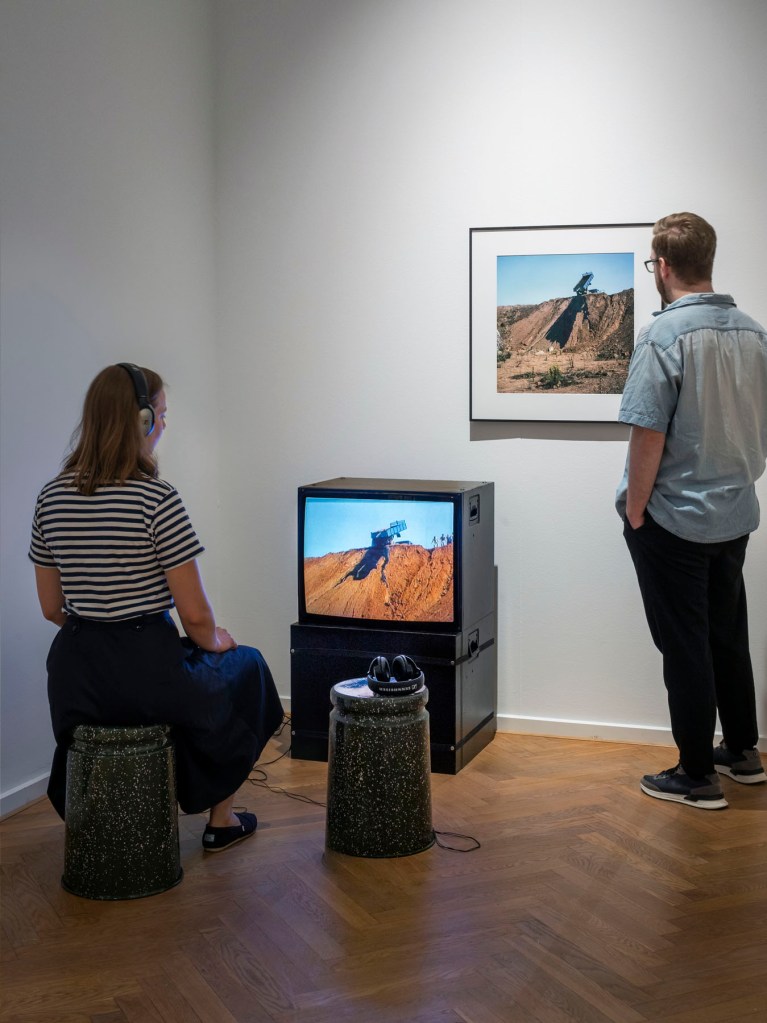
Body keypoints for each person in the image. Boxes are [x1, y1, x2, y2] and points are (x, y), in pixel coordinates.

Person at [29, 363, 284, 851]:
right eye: (160, 414)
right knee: (243, 666)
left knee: (190, 686)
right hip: (149, 671)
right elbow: (194, 615)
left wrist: (98, 624)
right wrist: (216, 642)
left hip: (75, 678)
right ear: (140, 420)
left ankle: (115, 824)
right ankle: (222, 820)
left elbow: (50, 607)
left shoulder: (51, 497)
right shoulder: (156, 498)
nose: (163, 425)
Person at [616, 212, 767, 810]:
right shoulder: (754, 335)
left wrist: (634, 513)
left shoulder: (662, 338)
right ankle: (744, 753)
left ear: (665, 267)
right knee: (727, 635)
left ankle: (696, 774)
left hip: (673, 519)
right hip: (733, 514)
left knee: (684, 644)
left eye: (654, 264)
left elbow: (646, 436)